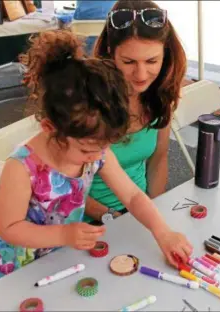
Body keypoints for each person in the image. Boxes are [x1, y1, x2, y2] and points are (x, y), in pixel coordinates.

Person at [0, 30, 192, 285]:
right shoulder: (22, 166)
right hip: (18, 268)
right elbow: (9, 228)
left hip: (64, 256)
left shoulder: (96, 151)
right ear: (50, 128)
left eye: (103, 147)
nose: (95, 156)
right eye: (86, 150)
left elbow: (133, 196)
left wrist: (164, 233)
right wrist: (63, 234)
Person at [86, 0, 187, 220]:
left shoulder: (159, 96)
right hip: (84, 224)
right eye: (129, 62)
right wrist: (119, 219)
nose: (141, 75)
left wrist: (154, 210)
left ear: (166, 55)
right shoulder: (86, 101)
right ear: (110, 53)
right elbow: (61, 186)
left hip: (136, 214)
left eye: (152, 61)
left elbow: (158, 160)